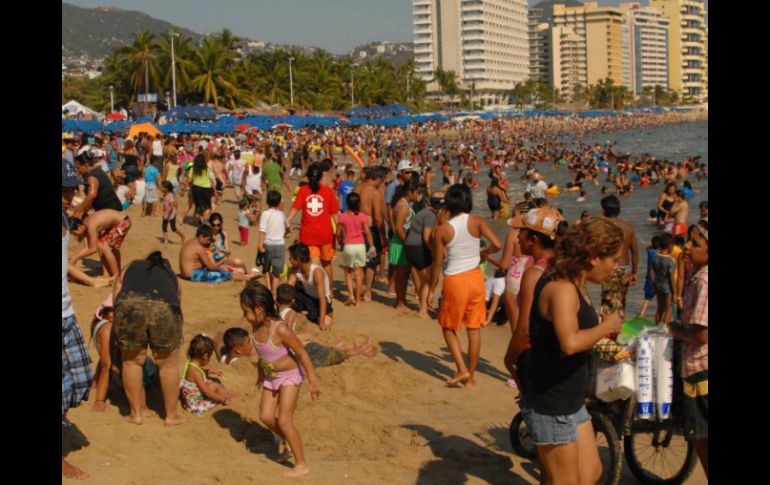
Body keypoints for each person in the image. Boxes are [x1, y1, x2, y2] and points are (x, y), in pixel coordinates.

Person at [520, 218, 623, 485]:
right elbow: (570, 343)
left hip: (571, 400)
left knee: (591, 473)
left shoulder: (575, 281)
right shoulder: (562, 287)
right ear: (592, 257)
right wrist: (607, 326)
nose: (615, 268)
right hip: (552, 402)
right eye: (613, 260)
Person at [240, 283, 320, 477]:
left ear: (259, 309)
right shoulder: (255, 326)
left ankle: (301, 464)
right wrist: (260, 372)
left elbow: (301, 352)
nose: (245, 317)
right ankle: (288, 443)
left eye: (246, 312)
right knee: (266, 416)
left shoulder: (280, 329)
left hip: (290, 376)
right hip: (270, 377)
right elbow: (262, 353)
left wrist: (312, 379)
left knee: (284, 420)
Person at [429, 183, 501, 388]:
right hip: (476, 278)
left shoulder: (442, 230)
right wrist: (484, 253)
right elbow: (497, 244)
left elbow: (436, 263)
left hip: (455, 280)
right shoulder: (477, 221)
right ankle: (470, 378)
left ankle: (461, 369)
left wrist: (431, 288)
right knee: (474, 329)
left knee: (448, 327)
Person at [112, 251, 186, 426]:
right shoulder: (171, 274)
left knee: (131, 362)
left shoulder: (130, 266)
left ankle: (135, 414)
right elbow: (178, 301)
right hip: (165, 307)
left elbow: (116, 294)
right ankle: (171, 416)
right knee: (168, 365)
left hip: (129, 303)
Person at [503, 207, 565, 390]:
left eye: (521, 231)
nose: (517, 236)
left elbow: (524, 329)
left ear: (533, 240)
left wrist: (509, 360)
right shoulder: (563, 268)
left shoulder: (533, 274)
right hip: (558, 355)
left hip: (538, 356)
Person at [666, 220, 708, 479]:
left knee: (703, 441)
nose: (688, 247)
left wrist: (675, 330)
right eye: (689, 241)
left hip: (701, 371)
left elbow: (703, 334)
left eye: (696, 243)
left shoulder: (704, 280)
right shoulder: (697, 274)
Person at [62, 158, 94, 479]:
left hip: (67, 312)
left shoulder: (66, 219)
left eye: (72, 190)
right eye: (64, 190)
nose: (69, 196)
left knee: (81, 379)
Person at [287, 163, 340, 286]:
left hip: (308, 234)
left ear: (308, 177)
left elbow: (295, 208)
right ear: (322, 176)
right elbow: (335, 215)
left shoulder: (303, 191)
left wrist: (286, 221)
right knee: (327, 263)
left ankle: (316, 289)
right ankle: (330, 291)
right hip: (326, 234)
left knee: (314, 264)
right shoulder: (328, 192)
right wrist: (341, 233)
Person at [599, 195, 638, 320]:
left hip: (609, 268)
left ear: (604, 210)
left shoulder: (602, 227)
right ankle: (620, 326)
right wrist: (635, 272)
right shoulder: (628, 227)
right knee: (622, 300)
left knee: (607, 301)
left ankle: (607, 332)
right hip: (625, 268)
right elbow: (635, 251)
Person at [404, 192, 443, 317]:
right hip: (417, 248)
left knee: (424, 281)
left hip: (411, 247)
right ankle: (423, 310)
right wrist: (434, 251)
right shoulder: (431, 216)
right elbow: (426, 237)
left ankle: (424, 305)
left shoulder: (424, 212)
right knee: (427, 281)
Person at [353, 167, 387, 302]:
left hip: (355, 228)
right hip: (370, 229)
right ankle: (367, 292)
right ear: (377, 178)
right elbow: (378, 218)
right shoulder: (374, 192)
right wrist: (382, 235)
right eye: (382, 180)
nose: (382, 183)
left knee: (358, 262)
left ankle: (358, 290)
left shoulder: (356, 189)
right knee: (371, 263)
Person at [180, 334, 234, 416]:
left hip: (188, 399)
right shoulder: (196, 373)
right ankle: (226, 398)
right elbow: (207, 392)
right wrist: (223, 399)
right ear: (205, 356)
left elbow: (196, 373)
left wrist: (208, 371)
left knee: (211, 384)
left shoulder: (189, 364)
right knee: (218, 386)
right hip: (196, 404)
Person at [337, 192, 375, 306]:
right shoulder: (363, 217)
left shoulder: (342, 216)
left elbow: (338, 233)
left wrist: (341, 244)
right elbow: (368, 233)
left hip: (348, 245)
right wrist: (372, 246)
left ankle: (351, 296)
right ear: (359, 204)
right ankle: (358, 300)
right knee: (359, 274)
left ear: (347, 203)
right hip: (360, 246)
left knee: (348, 272)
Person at [68, 209, 131, 277]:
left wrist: (76, 257)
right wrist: (75, 257)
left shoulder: (90, 226)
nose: (76, 235)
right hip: (122, 221)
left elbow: (93, 249)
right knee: (107, 246)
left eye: (75, 233)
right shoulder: (86, 224)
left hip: (124, 222)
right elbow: (89, 247)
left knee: (103, 246)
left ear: (79, 227)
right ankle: (114, 273)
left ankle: (116, 276)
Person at [389, 178, 421, 313]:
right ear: (410, 192)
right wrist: (408, 243)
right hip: (402, 243)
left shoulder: (402, 203)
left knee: (402, 274)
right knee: (402, 276)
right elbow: (399, 228)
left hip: (401, 242)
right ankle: (400, 303)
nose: (418, 196)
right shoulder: (403, 206)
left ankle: (400, 301)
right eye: (417, 193)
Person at [287, 243, 334, 331]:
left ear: (297, 260)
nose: (289, 260)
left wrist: (321, 322)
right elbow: (288, 289)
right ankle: (304, 313)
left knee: (325, 323)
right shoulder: (296, 270)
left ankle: (321, 315)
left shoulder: (316, 272)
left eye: (290, 258)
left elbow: (322, 299)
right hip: (305, 296)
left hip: (320, 301)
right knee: (288, 298)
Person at [179, 225, 248, 283]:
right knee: (225, 274)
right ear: (201, 236)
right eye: (207, 239)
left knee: (224, 270)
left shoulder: (190, 242)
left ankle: (245, 276)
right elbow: (211, 267)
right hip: (193, 275)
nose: (208, 242)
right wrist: (223, 264)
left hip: (186, 274)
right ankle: (248, 278)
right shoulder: (199, 247)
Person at [73, 149, 123, 218]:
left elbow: (92, 195)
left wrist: (78, 210)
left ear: (85, 165)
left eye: (78, 168)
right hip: (115, 207)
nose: (77, 171)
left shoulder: (92, 176)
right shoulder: (99, 171)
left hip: (109, 211)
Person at [259, 191, 290, 296]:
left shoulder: (265, 214)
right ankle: (274, 292)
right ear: (279, 203)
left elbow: (262, 230)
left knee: (266, 268)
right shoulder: (282, 215)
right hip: (280, 246)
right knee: (276, 272)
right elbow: (288, 227)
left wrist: (260, 245)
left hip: (268, 244)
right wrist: (287, 233)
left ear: (267, 202)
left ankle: (268, 288)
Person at [651, 233, 676, 325]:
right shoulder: (670, 260)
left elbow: (652, 273)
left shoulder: (655, 257)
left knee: (659, 309)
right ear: (669, 246)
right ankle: (664, 330)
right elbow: (671, 278)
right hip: (667, 287)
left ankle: (656, 326)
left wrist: (654, 285)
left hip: (658, 285)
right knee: (668, 309)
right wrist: (675, 293)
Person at [188, 154, 218, 224]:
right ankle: (204, 220)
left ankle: (202, 221)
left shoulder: (193, 169)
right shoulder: (207, 170)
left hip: (196, 189)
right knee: (207, 206)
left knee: (199, 206)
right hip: (207, 189)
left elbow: (189, 180)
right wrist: (215, 191)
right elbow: (212, 181)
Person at [638, 235, 661, 318]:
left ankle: (641, 314)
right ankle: (656, 316)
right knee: (659, 299)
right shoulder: (658, 254)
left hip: (649, 279)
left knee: (647, 298)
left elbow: (647, 248)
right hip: (656, 279)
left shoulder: (650, 252)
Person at [160, 181, 186, 247]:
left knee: (173, 228)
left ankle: (182, 236)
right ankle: (166, 240)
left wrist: (166, 212)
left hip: (171, 214)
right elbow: (166, 201)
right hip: (166, 214)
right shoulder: (165, 194)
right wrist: (162, 199)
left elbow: (172, 205)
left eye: (162, 187)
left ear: (167, 188)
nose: (161, 188)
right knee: (164, 227)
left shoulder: (170, 195)